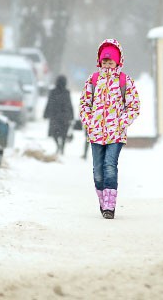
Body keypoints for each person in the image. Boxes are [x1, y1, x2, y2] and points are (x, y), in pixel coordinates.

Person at [79, 39, 140, 219]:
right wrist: (89, 122)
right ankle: (102, 200)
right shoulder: (93, 79)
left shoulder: (124, 80)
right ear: (99, 61)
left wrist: (121, 123)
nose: (107, 64)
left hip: (116, 133)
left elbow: (134, 106)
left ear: (118, 61)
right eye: (104, 61)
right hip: (96, 133)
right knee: (98, 171)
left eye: (110, 61)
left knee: (110, 166)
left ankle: (110, 207)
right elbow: (84, 104)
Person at [43, 75, 74, 155]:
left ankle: (58, 146)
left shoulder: (53, 91)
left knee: (54, 133)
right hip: (65, 116)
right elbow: (70, 104)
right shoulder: (66, 92)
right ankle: (61, 147)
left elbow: (49, 103)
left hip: (55, 116)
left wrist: (46, 113)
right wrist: (71, 116)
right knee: (63, 134)